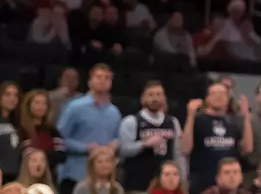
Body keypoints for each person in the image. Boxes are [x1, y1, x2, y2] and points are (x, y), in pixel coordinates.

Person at [58, 65, 121, 193]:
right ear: (89, 81)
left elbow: (116, 137)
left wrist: (116, 144)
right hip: (76, 173)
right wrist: (85, 147)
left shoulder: (114, 112)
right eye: (99, 77)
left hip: (104, 180)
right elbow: (59, 139)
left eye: (107, 78)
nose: (103, 80)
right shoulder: (74, 107)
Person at [181, 86, 251, 194]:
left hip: (229, 185)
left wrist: (246, 117)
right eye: (215, 93)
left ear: (228, 98)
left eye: (223, 94)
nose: (219, 97)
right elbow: (185, 149)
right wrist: (190, 117)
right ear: (207, 98)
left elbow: (247, 149)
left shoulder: (233, 122)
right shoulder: (197, 120)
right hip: (202, 185)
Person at [117, 82, 180, 193]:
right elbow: (122, 150)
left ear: (164, 98)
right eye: (150, 95)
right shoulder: (131, 121)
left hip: (165, 185)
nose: (155, 98)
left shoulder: (173, 122)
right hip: (137, 183)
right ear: (143, 98)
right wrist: (144, 144)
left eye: (158, 94)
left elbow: (177, 153)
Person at [1, 82, 20, 183]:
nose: (12, 98)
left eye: (15, 95)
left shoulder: (20, 122)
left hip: (16, 176)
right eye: (7, 94)